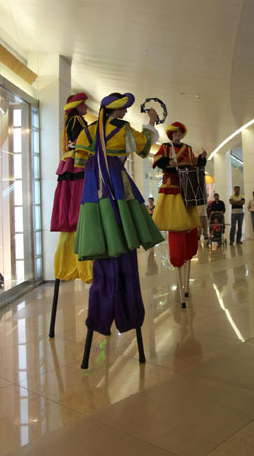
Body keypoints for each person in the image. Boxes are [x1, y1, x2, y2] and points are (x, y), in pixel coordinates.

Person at [74, 92, 164, 336]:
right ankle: (129, 315)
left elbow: (79, 162)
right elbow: (145, 146)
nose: (125, 111)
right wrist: (152, 121)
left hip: (93, 188)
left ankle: (99, 318)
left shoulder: (88, 131)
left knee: (102, 240)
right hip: (116, 184)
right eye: (123, 108)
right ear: (115, 110)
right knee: (123, 235)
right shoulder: (123, 130)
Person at [152, 121, 207, 269]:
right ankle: (177, 256)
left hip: (186, 189)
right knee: (175, 222)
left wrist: (202, 158)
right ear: (171, 134)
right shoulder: (165, 147)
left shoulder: (188, 149)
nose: (177, 134)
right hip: (172, 185)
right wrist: (173, 164)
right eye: (175, 132)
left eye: (179, 132)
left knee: (188, 221)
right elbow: (158, 160)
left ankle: (188, 251)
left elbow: (195, 164)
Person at [51, 92, 93, 283]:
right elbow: (83, 141)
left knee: (71, 210)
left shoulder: (71, 120)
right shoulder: (76, 119)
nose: (86, 107)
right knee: (79, 206)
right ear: (77, 106)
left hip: (70, 164)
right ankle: (85, 268)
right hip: (77, 164)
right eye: (84, 104)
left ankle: (69, 266)